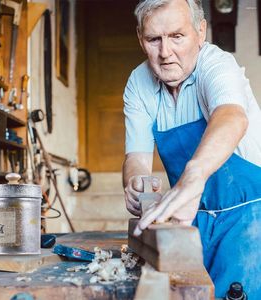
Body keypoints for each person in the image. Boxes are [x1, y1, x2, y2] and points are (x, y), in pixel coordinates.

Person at [122, 0, 261, 298]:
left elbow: (231, 116)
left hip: (250, 220)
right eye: (153, 39)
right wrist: (135, 183)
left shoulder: (217, 64)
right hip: (191, 223)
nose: (165, 52)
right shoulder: (138, 82)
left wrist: (194, 174)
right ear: (140, 38)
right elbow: (136, 158)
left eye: (177, 36)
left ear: (200, 32)